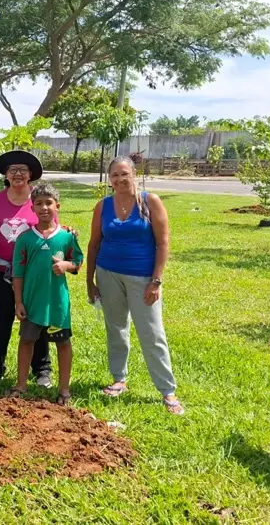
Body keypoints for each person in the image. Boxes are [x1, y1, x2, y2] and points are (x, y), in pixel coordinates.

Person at [86, 157, 184, 415]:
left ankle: (167, 391)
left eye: (124, 174)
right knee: (116, 329)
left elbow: (163, 244)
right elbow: (94, 244)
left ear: (134, 174)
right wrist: (90, 281)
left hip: (142, 278)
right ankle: (119, 378)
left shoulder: (150, 202)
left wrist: (156, 281)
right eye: (114, 175)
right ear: (109, 179)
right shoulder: (103, 206)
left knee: (152, 333)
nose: (119, 179)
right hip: (108, 274)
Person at [0, 150, 53, 386]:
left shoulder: (40, 200)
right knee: (0, 320)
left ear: (31, 174)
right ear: (6, 174)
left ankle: (41, 369)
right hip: (1, 271)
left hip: (33, 273)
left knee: (36, 319)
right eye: (13, 170)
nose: (18, 174)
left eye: (23, 169)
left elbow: (53, 230)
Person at [8, 182, 83, 405]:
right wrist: (18, 301)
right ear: (32, 208)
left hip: (57, 304)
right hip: (32, 302)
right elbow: (18, 273)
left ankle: (64, 389)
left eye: (49, 203)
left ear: (57, 205)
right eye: (39, 203)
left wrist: (66, 266)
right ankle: (21, 384)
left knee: (62, 343)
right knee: (26, 341)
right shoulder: (25, 238)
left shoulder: (67, 237)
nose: (44, 208)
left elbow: (78, 261)